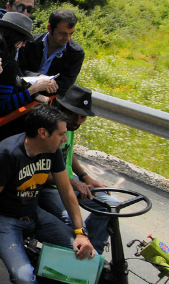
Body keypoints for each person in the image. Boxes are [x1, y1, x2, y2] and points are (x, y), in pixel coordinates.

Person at [0, 104, 95, 284]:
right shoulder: (8, 154)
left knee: (82, 254)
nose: (64, 139)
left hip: (34, 214)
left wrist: (80, 233)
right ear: (43, 133)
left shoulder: (52, 151)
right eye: (61, 134)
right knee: (24, 278)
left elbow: (66, 190)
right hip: (6, 220)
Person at [0, 12, 58, 166]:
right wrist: (33, 90)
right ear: (14, 39)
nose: (23, 45)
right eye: (22, 41)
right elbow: (5, 103)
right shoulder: (8, 64)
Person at [38, 85, 119, 254]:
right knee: (72, 222)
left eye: (84, 117)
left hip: (70, 182)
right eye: (79, 116)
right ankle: (79, 252)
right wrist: (73, 183)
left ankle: (92, 254)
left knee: (111, 205)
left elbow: (68, 152)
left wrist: (84, 177)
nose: (81, 121)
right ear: (67, 112)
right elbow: (39, 173)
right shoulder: (50, 130)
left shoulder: (69, 128)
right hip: (50, 187)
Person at [18, 9, 85, 96]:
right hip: (22, 91)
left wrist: (44, 84)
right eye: (62, 33)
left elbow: (65, 85)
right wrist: (38, 77)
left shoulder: (76, 53)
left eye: (71, 33)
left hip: (50, 99)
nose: (68, 38)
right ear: (49, 28)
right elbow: (19, 69)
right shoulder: (30, 42)